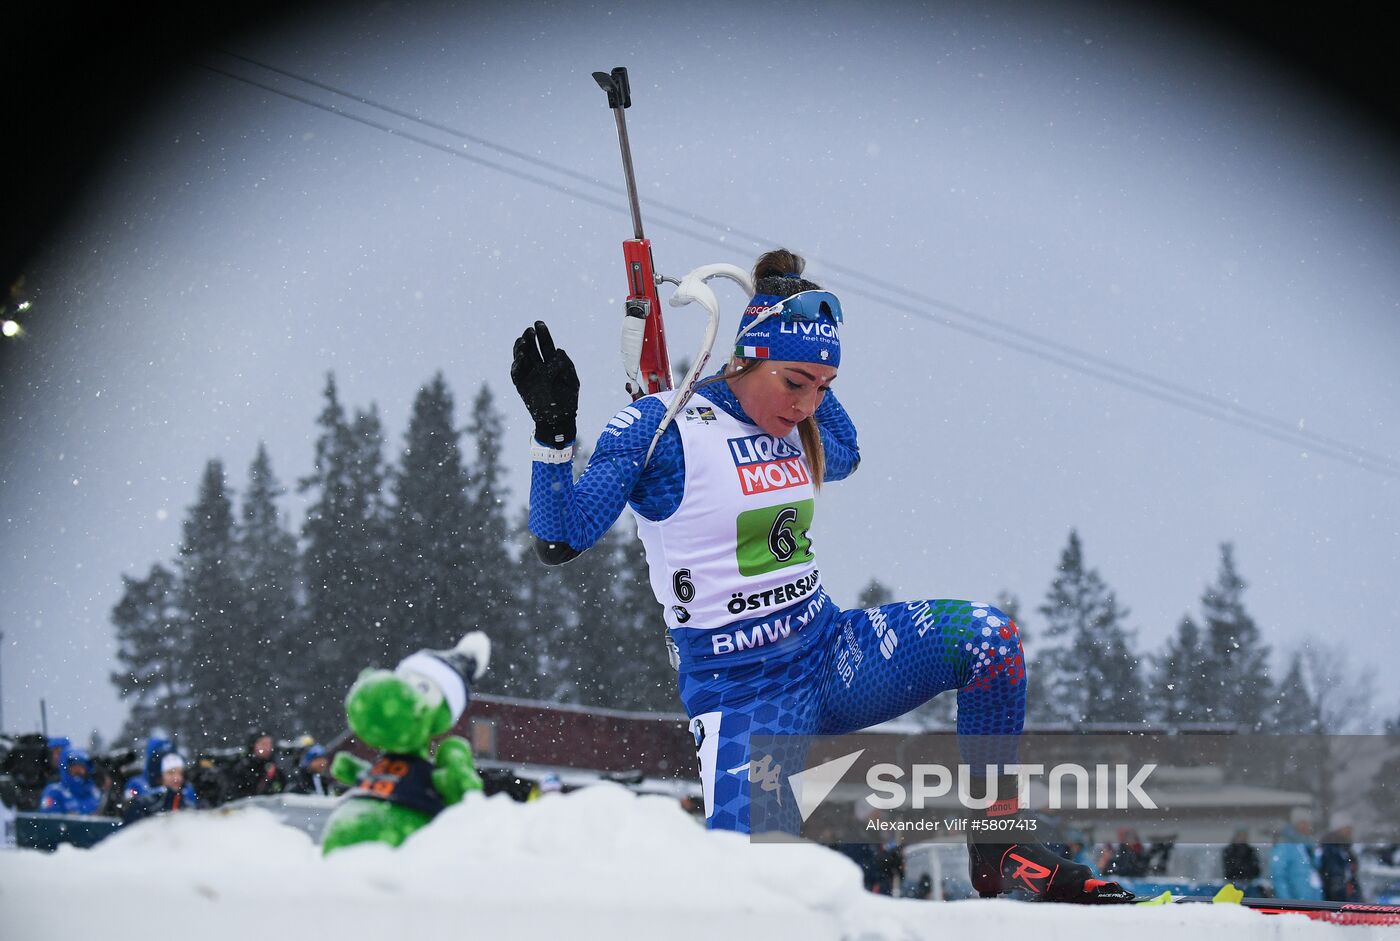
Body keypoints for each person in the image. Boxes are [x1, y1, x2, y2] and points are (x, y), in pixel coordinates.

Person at [512, 249, 1128, 903]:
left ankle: (998, 841)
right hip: (745, 690)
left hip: (829, 649)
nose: (808, 404)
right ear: (744, 356)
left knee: (989, 639)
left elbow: (849, 451)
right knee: (754, 885)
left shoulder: (794, 424)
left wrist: (787, 302)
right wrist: (553, 434)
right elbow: (561, 536)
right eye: (796, 381)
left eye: (824, 387)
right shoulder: (661, 429)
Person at [124, 753, 198, 823]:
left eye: (180, 773)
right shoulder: (145, 803)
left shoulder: (187, 805)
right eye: (170, 773)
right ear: (160, 776)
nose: (176, 778)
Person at [38, 747, 103, 815]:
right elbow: (48, 819)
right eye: (74, 768)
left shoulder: (95, 793)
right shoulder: (53, 791)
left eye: (82, 769)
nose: (78, 772)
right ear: (65, 769)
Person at [1270, 818, 1323, 901]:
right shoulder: (1285, 846)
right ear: (1295, 825)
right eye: (1303, 823)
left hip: (1313, 902)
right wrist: (1286, 902)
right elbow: (1278, 875)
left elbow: (1314, 873)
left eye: (1308, 824)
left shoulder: (1309, 846)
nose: (1306, 827)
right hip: (1296, 905)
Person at [226, 731, 286, 800]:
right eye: (263, 744)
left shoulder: (277, 767)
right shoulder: (241, 767)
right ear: (254, 745)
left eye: (270, 744)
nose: (267, 747)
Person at [1318, 821, 1364, 903]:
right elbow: (1333, 877)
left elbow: (1352, 875)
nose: (1348, 832)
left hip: (1348, 896)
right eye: (1346, 829)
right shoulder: (1331, 849)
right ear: (1338, 829)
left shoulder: (1347, 849)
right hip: (1336, 899)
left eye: (1350, 829)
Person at [1222, 827, 1263, 892]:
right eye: (1240, 836)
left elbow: (1256, 870)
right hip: (1233, 883)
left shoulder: (1250, 851)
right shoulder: (1229, 851)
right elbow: (1228, 871)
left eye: (1244, 836)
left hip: (1249, 884)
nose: (1242, 839)